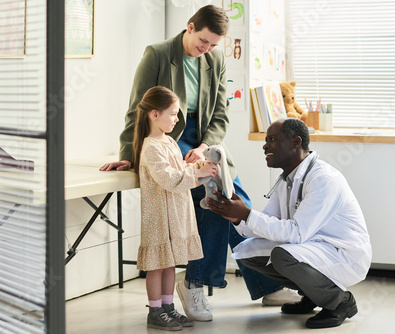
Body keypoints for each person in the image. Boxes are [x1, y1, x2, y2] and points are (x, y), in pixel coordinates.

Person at [100, 5, 299, 321]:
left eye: (212, 45)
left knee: (236, 202)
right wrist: (129, 154)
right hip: (168, 135)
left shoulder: (216, 59)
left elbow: (220, 115)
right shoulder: (158, 54)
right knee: (217, 202)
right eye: (203, 42)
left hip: (206, 140)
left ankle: (263, 281)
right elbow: (137, 108)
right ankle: (196, 284)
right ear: (190, 27)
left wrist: (206, 147)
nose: (206, 50)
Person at [207, 118, 372, 329]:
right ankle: (313, 295)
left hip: (345, 253)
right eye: (265, 140)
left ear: (296, 142)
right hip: (315, 246)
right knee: (248, 252)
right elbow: (268, 223)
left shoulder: (322, 179)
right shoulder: (286, 178)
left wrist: (248, 214)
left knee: (282, 255)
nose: (265, 145)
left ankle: (340, 302)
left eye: (272, 139)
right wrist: (238, 217)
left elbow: (296, 233)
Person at [133, 86, 218, 331]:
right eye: (173, 114)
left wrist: (198, 168)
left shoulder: (169, 141)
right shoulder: (150, 147)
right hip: (158, 216)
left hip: (176, 214)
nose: (177, 119)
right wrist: (195, 172)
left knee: (170, 263)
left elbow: (179, 170)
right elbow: (169, 178)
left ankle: (168, 307)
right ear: (154, 114)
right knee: (157, 265)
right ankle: (155, 310)